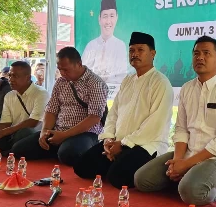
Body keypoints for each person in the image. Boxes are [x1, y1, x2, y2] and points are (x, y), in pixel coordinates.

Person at [134, 36, 216, 205]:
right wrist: (178, 160)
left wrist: (186, 165)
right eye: (196, 53)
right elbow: (181, 130)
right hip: (188, 153)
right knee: (141, 180)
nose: (200, 57)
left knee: (191, 192)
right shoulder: (187, 88)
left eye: (206, 53)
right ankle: (186, 180)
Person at [74, 32, 174, 188]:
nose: (135, 54)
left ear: (153, 54)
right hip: (117, 141)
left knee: (117, 178)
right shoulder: (128, 80)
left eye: (140, 50)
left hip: (146, 145)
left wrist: (124, 144)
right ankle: (114, 161)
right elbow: (113, 113)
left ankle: (129, 167)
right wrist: (108, 139)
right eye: (132, 50)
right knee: (81, 167)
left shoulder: (160, 82)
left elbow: (155, 125)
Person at [12, 47, 108, 166]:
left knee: (69, 154)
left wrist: (65, 136)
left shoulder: (95, 83)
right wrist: (44, 131)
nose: (62, 73)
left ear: (79, 64)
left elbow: (94, 118)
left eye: (66, 70)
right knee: (18, 150)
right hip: (58, 130)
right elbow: (51, 110)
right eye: (60, 69)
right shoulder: (61, 82)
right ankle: (59, 147)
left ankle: (63, 148)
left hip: (86, 133)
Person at [0, 61, 48, 154]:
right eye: (10, 75)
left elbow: (33, 122)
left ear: (27, 77)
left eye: (15, 76)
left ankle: (10, 151)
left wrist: (2, 133)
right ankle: (9, 150)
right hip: (12, 133)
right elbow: (5, 123)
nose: (10, 79)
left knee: (25, 132)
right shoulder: (9, 95)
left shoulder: (41, 93)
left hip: (33, 135)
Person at [81, 0, 128, 84]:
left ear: (116, 18)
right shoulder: (91, 45)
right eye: (105, 16)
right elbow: (82, 72)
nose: (108, 21)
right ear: (99, 19)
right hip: (91, 91)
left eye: (112, 16)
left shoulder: (120, 46)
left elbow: (122, 77)